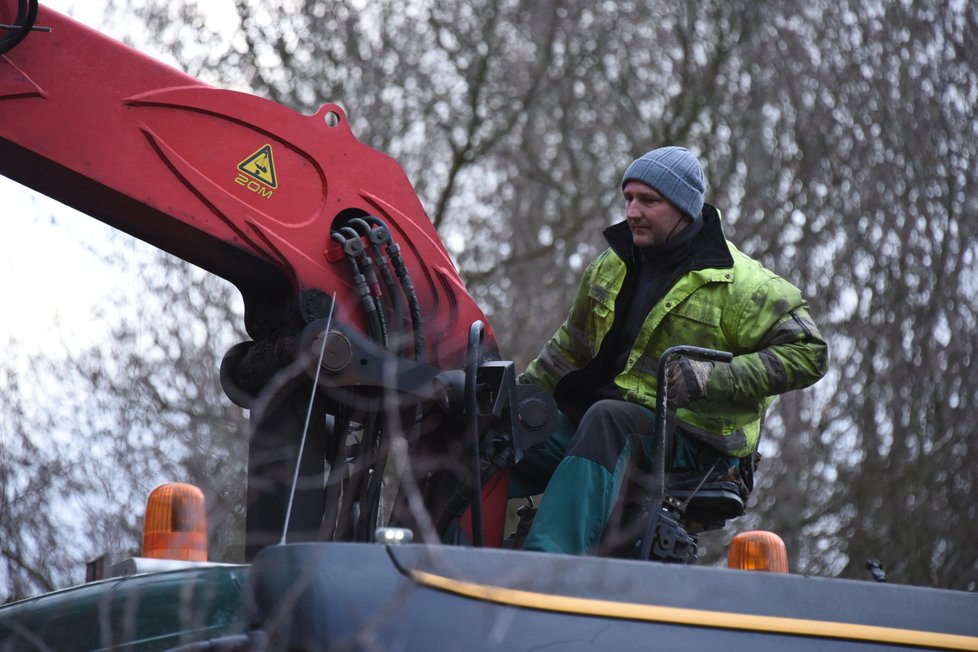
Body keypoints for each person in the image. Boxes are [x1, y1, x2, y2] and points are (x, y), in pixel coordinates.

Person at [511, 146, 828, 555]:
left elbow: (809, 354)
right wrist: (518, 400)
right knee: (501, 430)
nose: (632, 211)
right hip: (601, 425)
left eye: (648, 200)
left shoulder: (746, 286)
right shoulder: (610, 266)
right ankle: (434, 556)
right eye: (628, 198)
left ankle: (544, 568)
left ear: (684, 207)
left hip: (691, 440)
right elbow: (569, 348)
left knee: (609, 419)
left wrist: (712, 377)